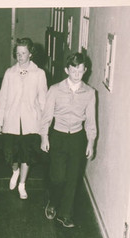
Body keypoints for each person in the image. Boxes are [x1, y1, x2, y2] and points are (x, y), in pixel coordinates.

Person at [40, 52, 97, 228]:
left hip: (78, 139)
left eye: (80, 69)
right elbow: (46, 117)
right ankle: (53, 201)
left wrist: (90, 143)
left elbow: (91, 121)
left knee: (73, 178)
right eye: (74, 69)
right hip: (58, 135)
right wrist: (44, 137)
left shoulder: (90, 93)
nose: (77, 73)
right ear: (67, 70)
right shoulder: (55, 89)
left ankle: (65, 214)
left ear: (85, 70)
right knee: (58, 178)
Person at [0, 37, 48, 199]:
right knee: (10, 154)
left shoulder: (39, 74)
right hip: (11, 120)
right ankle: (15, 171)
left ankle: (22, 184)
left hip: (31, 121)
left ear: (30, 53)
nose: (20, 56)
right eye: (18, 53)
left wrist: (44, 124)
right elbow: (2, 97)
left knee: (27, 154)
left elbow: (43, 99)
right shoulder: (9, 73)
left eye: (23, 53)